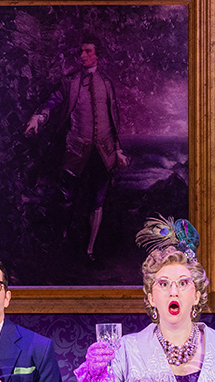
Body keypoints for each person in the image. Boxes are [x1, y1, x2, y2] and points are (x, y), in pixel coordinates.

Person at [66, 217, 215, 382]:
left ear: (196, 296)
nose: (173, 292)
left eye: (183, 283)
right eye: (164, 284)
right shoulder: (128, 350)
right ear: (151, 297)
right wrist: (91, 376)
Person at [24, 38, 131, 261]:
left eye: (87, 51)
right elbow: (51, 102)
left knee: (97, 200)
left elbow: (113, 120)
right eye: (80, 51)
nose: (82, 55)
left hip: (103, 151)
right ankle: (62, 240)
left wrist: (118, 150)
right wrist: (37, 118)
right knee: (67, 198)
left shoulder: (107, 84)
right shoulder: (70, 82)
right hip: (75, 149)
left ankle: (89, 250)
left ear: (97, 55)